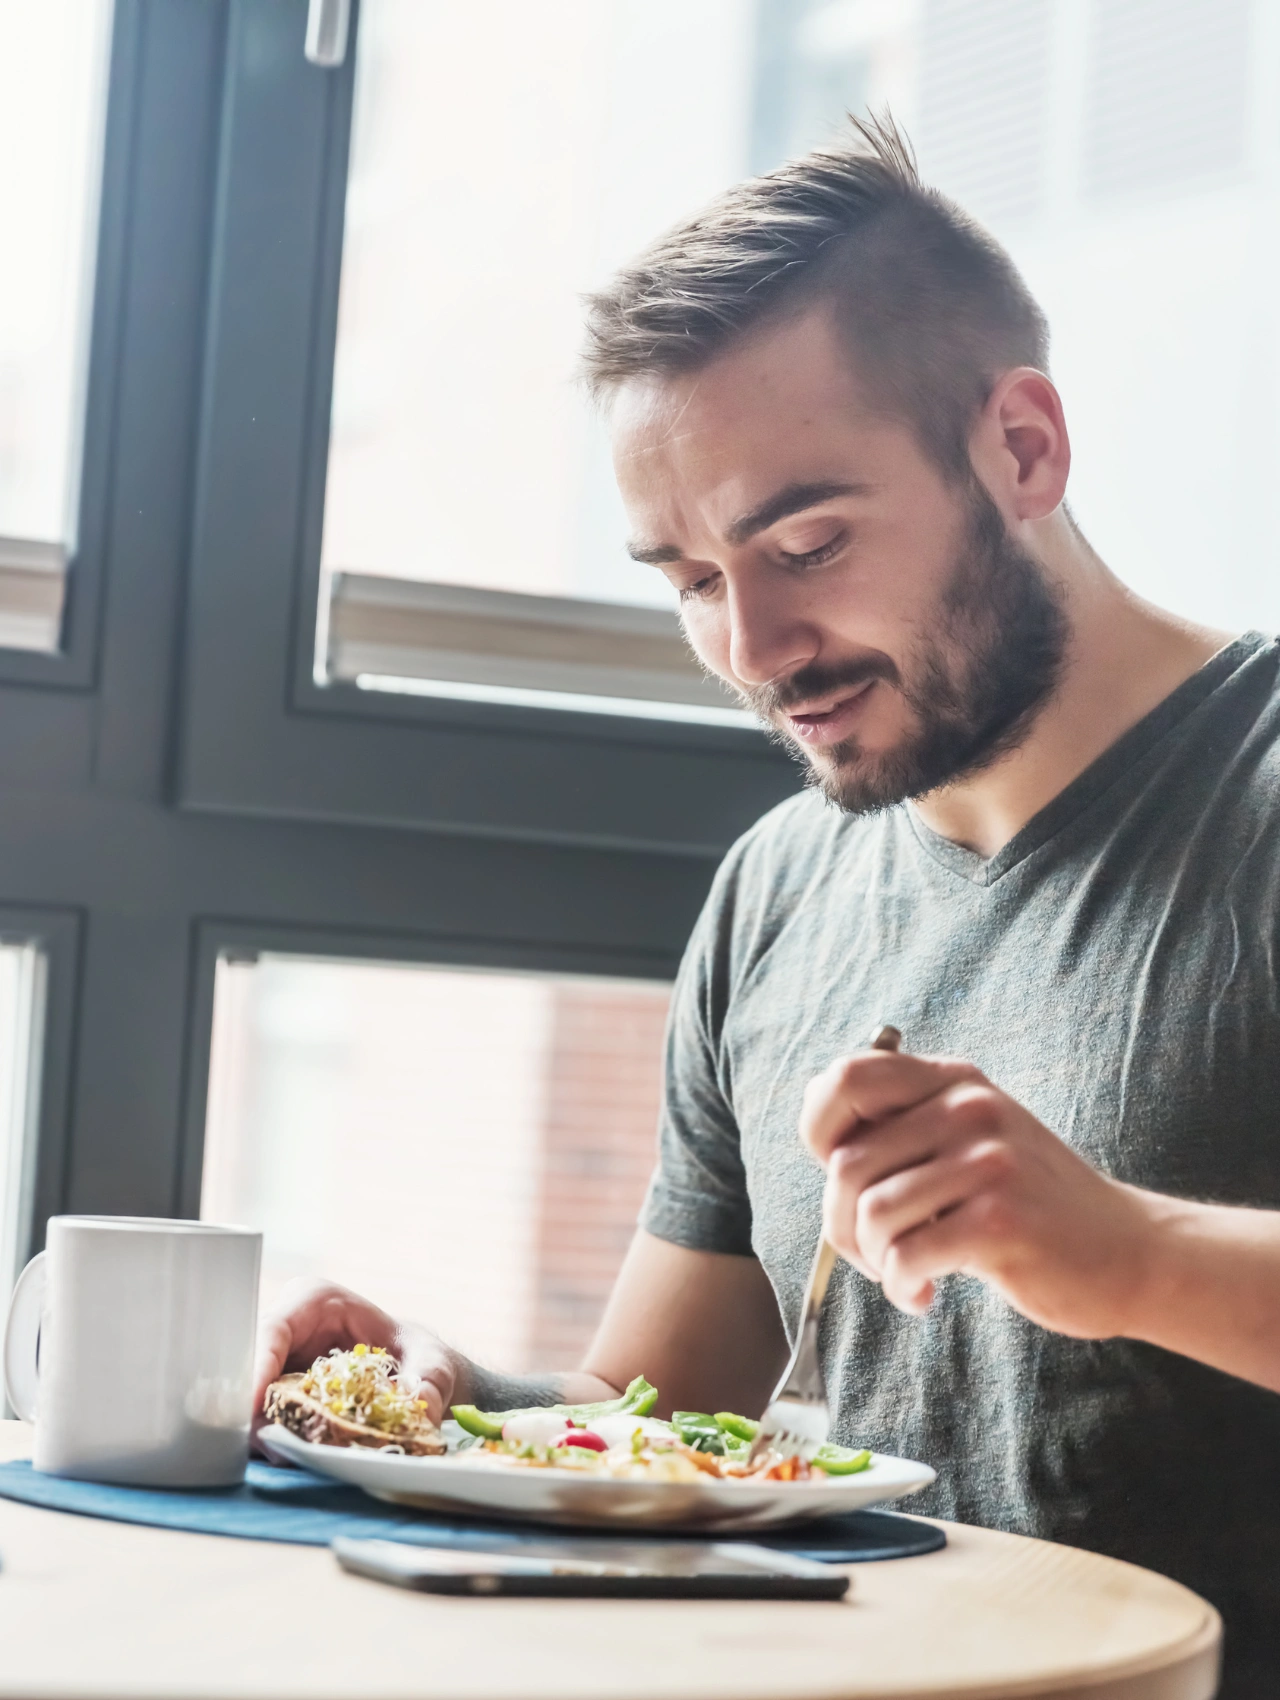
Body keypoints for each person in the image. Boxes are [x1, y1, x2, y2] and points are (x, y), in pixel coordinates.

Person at [256, 119, 1280, 1693]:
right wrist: (449, 1401)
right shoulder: (779, 887)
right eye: (688, 579)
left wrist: (1134, 1253)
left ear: (1021, 448)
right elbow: (664, 1418)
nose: (755, 646)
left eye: (808, 542)